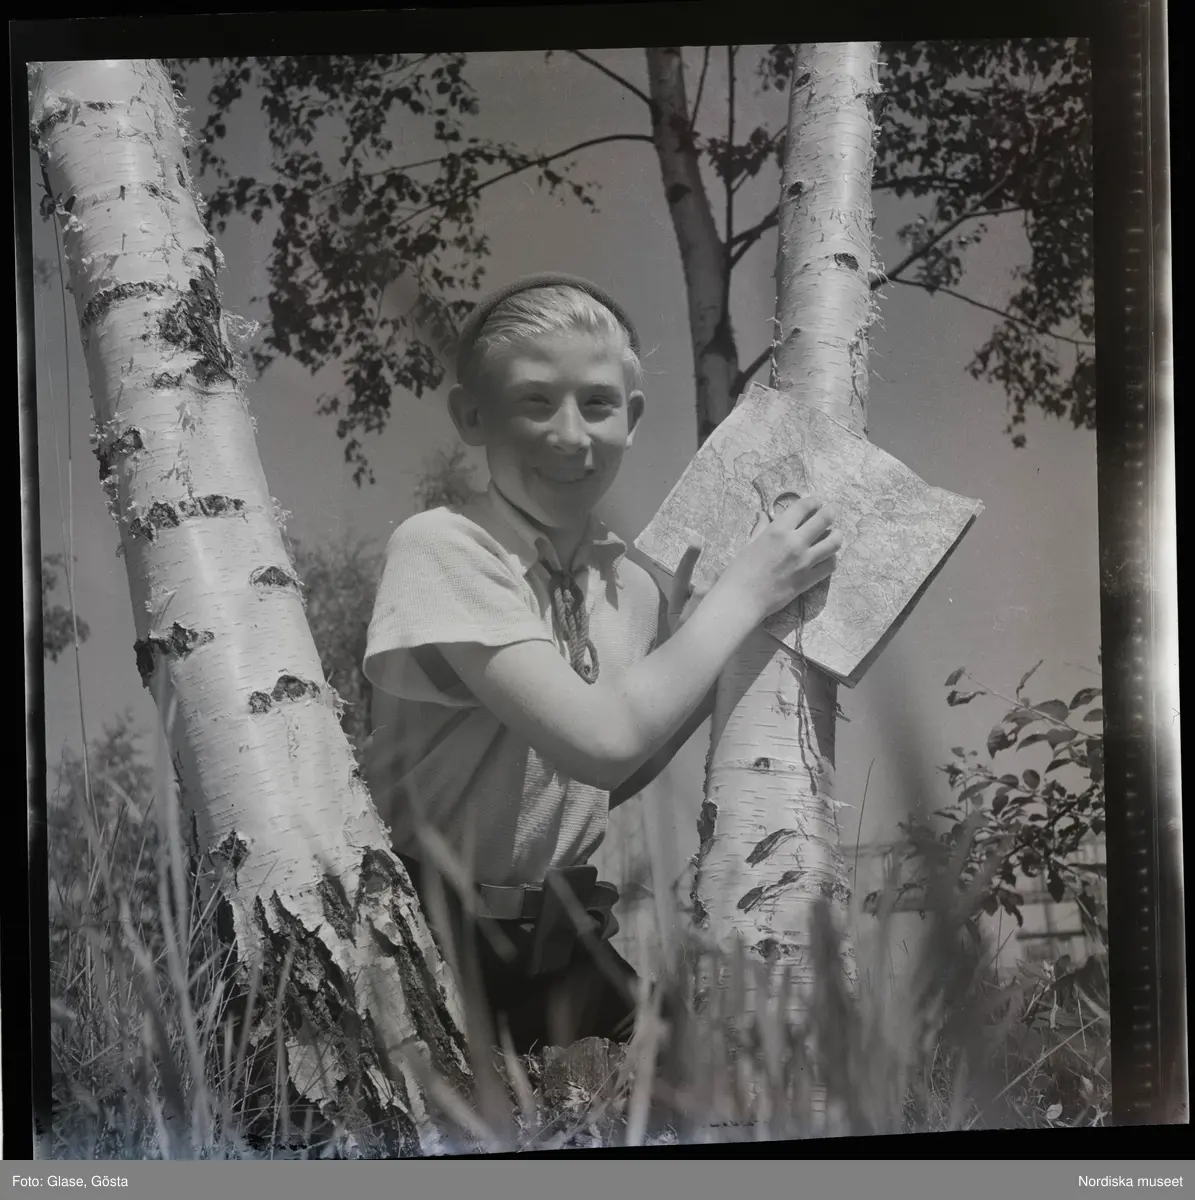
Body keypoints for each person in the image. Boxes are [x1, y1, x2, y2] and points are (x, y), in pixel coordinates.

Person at [362, 273, 840, 1054]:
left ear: (631, 417)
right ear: (472, 416)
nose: (569, 435)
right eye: (533, 401)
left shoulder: (629, 586)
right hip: (427, 940)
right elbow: (602, 740)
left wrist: (703, 646)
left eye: (596, 404)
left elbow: (609, 776)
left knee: (709, 1081)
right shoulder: (445, 546)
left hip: (561, 941)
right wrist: (744, 593)